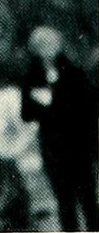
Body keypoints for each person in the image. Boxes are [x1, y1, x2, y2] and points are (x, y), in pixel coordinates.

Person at [20, 25, 99, 231]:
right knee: (65, 202)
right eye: (41, 45)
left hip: (79, 146)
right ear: (35, 50)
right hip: (54, 150)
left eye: (51, 43)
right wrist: (41, 104)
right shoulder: (31, 79)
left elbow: (90, 107)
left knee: (88, 200)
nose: (47, 48)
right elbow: (26, 115)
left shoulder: (74, 73)